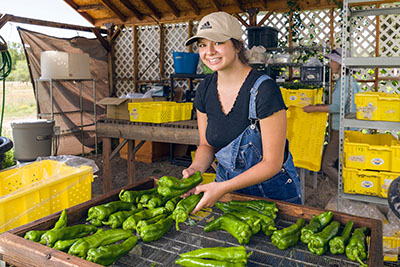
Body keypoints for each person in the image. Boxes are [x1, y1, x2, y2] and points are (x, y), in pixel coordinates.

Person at [182, 11, 302, 214]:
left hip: (272, 196)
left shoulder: (264, 90)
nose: (209, 51)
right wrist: (195, 170)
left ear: (237, 45)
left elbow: (272, 163)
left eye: (218, 42)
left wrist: (223, 188)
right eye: (202, 44)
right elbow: (206, 145)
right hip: (226, 191)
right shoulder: (204, 90)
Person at [302, 48, 360, 185]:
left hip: (341, 129)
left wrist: (313, 108)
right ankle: (350, 187)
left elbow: (336, 107)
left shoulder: (343, 82)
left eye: (333, 60)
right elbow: (342, 104)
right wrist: (320, 105)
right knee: (344, 163)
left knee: (327, 165)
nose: (330, 63)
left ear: (341, 64)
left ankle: (349, 188)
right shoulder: (350, 80)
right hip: (349, 127)